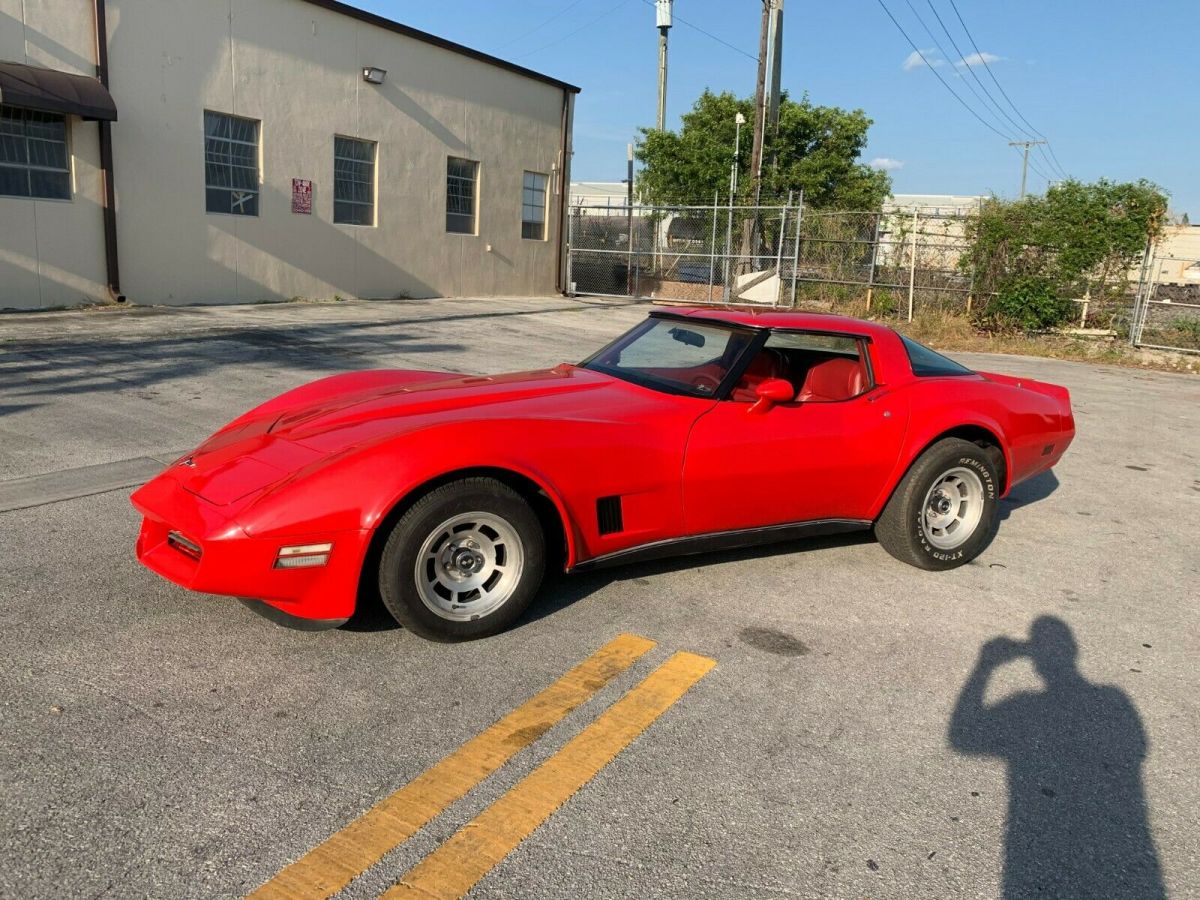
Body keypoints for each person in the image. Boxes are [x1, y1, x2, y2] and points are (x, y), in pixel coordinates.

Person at [948, 616, 1165, 899]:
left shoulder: (1026, 706)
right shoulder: (1114, 699)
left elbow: (962, 737)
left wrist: (986, 665)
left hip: (1033, 845)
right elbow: (1137, 750)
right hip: (1129, 848)